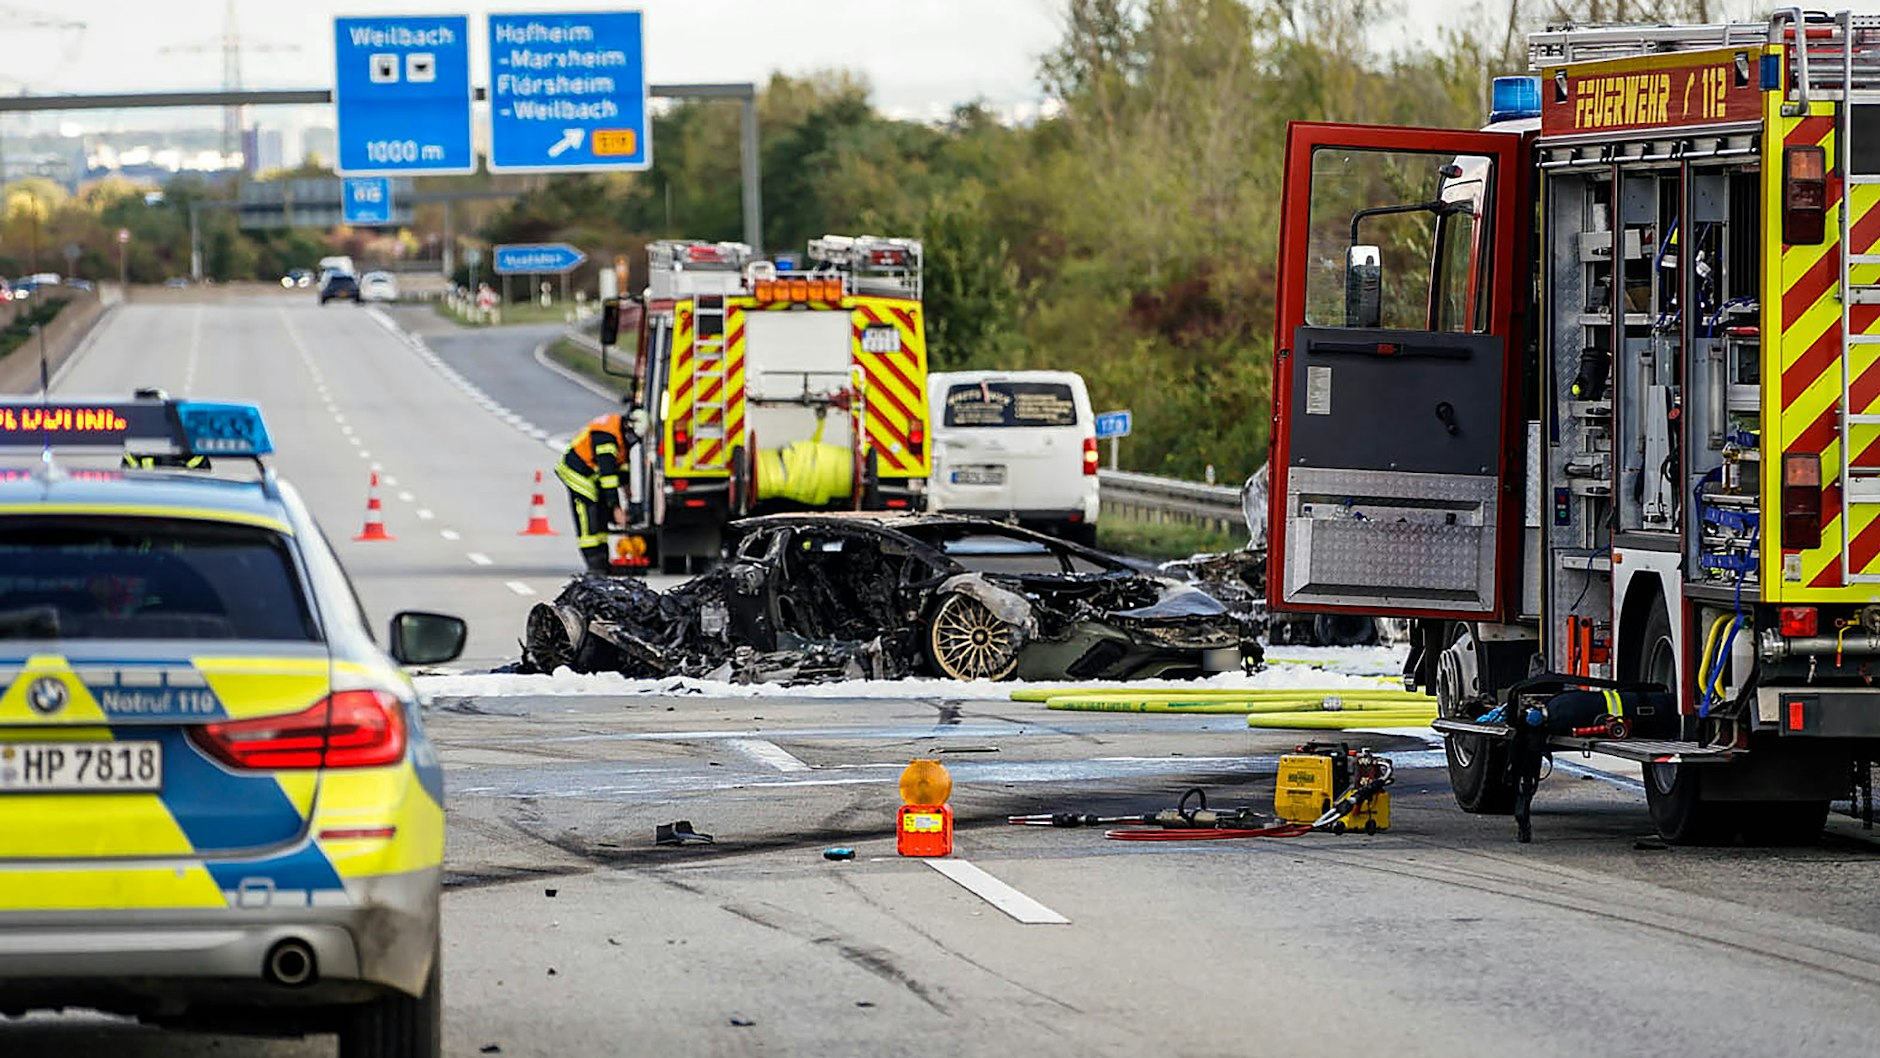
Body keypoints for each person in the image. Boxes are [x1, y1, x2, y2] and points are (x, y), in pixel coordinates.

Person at [555, 404, 647, 572]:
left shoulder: (623, 435)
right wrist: (617, 508)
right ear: (628, 426)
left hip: (593, 473)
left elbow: (622, 468)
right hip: (577, 472)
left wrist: (628, 495)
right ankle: (594, 563)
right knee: (589, 510)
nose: (633, 442)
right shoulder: (606, 436)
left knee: (603, 512)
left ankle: (603, 560)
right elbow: (609, 476)